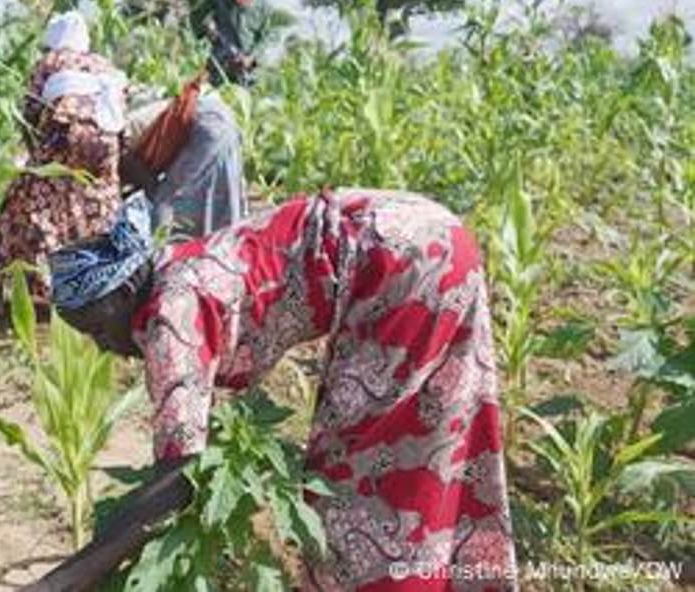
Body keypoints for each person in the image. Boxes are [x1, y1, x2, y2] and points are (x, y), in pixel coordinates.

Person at [28, 189, 518, 591]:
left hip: (400, 263)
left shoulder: (169, 318)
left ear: (122, 291)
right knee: (441, 430)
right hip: (434, 238)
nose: (103, 346)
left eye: (96, 328)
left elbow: (178, 476)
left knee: (353, 478)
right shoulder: (177, 270)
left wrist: (60, 583)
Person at [0, 11, 128, 300]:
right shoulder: (103, 65)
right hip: (106, 144)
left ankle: (39, 288)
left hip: (67, 138)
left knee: (34, 205)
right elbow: (121, 112)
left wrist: (32, 161)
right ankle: (98, 283)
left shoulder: (50, 62)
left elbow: (30, 114)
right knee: (99, 202)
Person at [120, 74, 247, 240]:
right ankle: (219, 241)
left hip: (208, 123)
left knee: (171, 197)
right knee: (221, 187)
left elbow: (148, 183)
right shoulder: (128, 126)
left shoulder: (123, 143)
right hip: (222, 117)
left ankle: (159, 251)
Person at [190, 0, 278, 86]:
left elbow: (269, 35)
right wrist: (207, 31)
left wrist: (251, 58)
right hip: (220, 66)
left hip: (249, 71)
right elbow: (195, 16)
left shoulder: (262, 2)